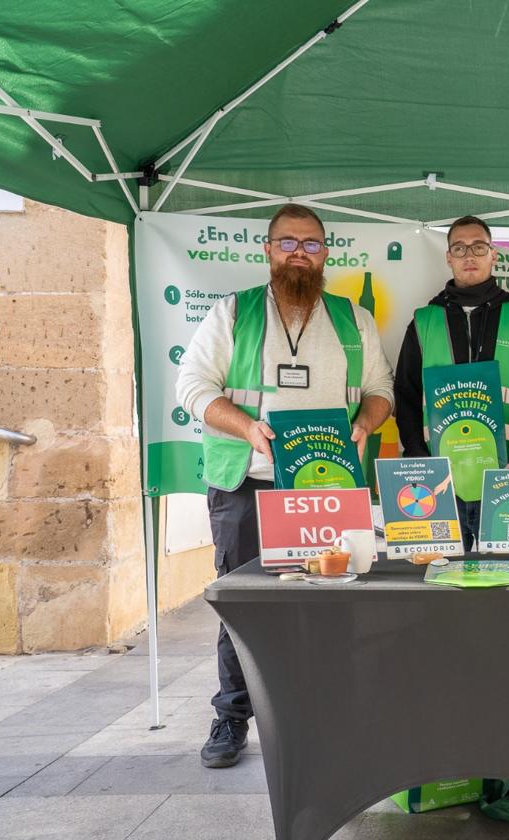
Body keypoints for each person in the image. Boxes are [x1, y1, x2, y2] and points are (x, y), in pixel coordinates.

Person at [176, 203, 395, 768]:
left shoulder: (355, 319)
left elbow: (380, 389)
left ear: (327, 253)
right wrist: (247, 427)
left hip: (328, 487)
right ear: (268, 250)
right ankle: (231, 717)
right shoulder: (234, 313)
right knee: (244, 604)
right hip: (247, 483)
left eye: (312, 244)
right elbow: (193, 387)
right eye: (288, 243)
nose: (300, 252)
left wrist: (367, 422)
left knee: (334, 601)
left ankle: (331, 712)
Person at [394, 215, 509, 550]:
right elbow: (405, 395)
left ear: (494, 254)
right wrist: (421, 460)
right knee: (438, 586)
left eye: (478, 247)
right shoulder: (424, 321)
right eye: (460, 247)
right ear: (448, 257)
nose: (469, 255)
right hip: (438, 486)